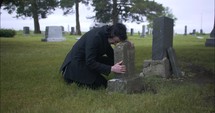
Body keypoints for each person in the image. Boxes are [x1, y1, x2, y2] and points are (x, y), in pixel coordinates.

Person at [60, 23, 127, 89]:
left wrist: (123, 63)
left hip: (87, 61)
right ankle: (73, 77)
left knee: (111, 61)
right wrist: (111, 68)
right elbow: (90, 62)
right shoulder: (95, 37)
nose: (115, 44)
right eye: (116, 41)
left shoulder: (106, 35)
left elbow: (112, 56)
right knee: (102, 84)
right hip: (75, 66)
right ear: (113, 34)